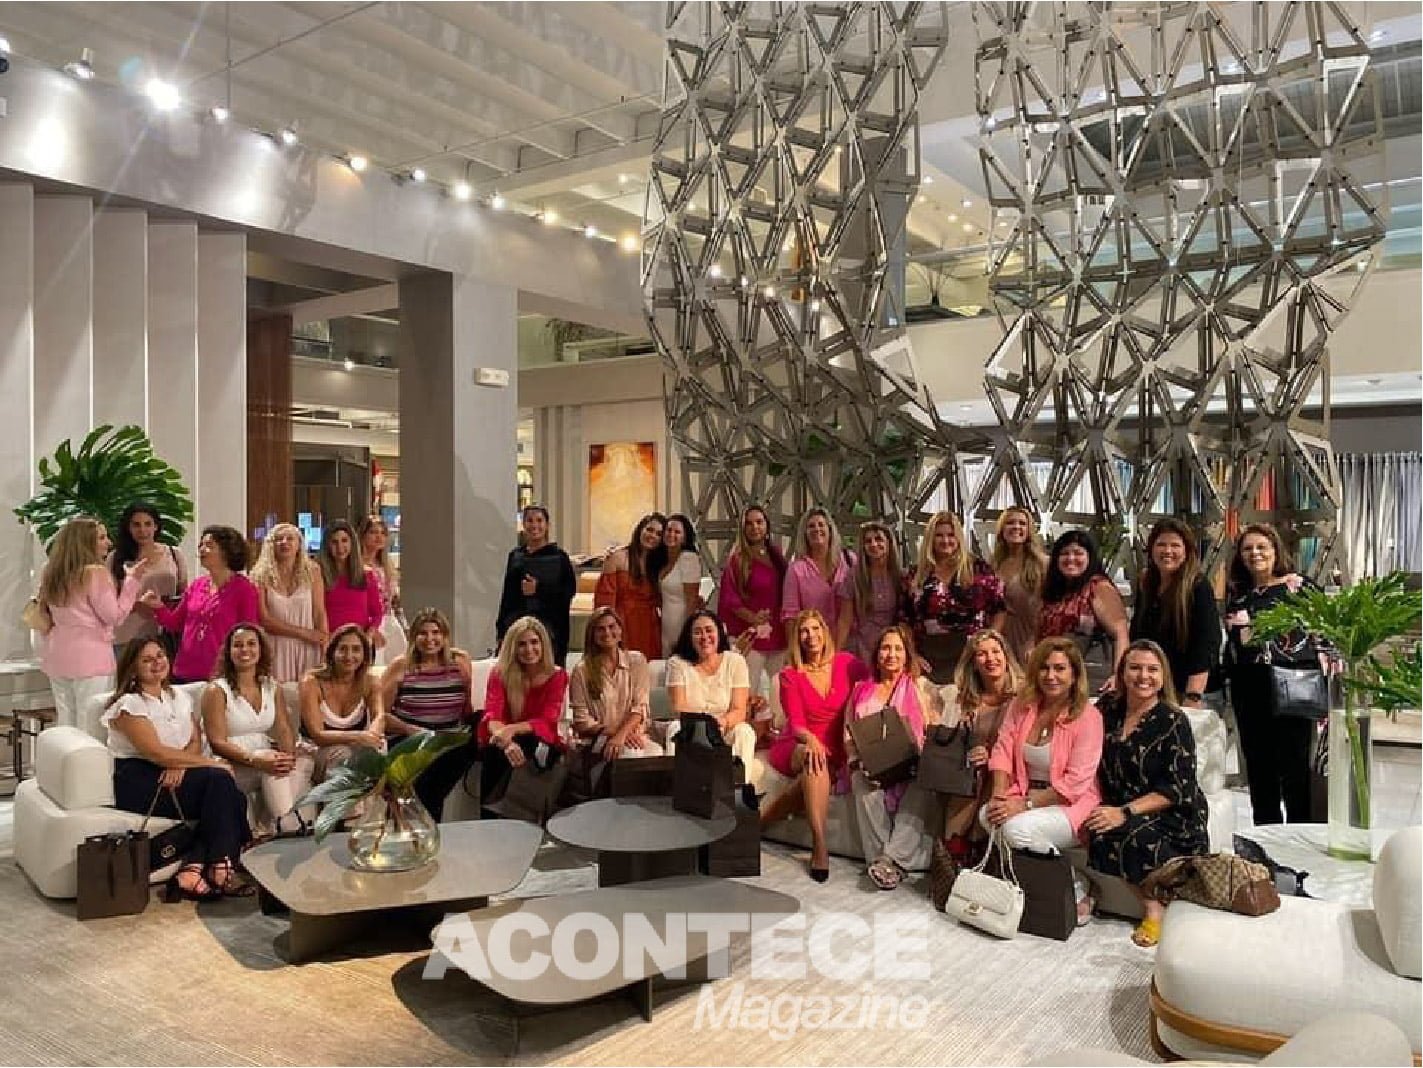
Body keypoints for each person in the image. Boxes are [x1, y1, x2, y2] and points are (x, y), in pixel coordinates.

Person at [102, 638, 251, 900]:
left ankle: (193, 871)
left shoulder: (179, 696)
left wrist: (180, 763)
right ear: (133, 668)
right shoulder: (129, 705)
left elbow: (195, 740)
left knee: (230, 795)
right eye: (147, 660)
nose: (157, 663)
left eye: (160, 656)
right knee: (222, 783)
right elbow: (155, 753)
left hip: (174, 768)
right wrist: (210, 762)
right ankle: (221, 865)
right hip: (140, 779)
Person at [1084, 640, 1210, 947]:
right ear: (1122, 673)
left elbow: (1177, 788)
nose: (1143, 676)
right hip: (1120, 803)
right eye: (1135, 668)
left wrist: (1124, 812)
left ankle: (1154, 910)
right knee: (1098, 829)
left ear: (1163, 676)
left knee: (1127, 834)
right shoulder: (1107, 709)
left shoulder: (1173, 720)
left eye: (1152, 670)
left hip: (1173, 812)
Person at [983, 636, 1104, 923]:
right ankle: (1029, 888)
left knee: (1017, 830)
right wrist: (999, 796)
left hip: (1070, 803)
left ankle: (1079, 886)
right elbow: (1002, 750)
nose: (1051, 676)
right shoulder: (1021, 705)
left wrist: (1022, 805)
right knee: (988, 815)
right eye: (1044, 668)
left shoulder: (1089, 716)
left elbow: (1075, 783)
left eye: (1060, 669)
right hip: (1024, 792)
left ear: (1074, 674)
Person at [761, 609, 870, 882]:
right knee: (813, 758)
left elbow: (875, 682)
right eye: (804, 631)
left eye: (815, 629)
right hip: (797, 744)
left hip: (836, 748)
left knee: (814, 771)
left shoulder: (847, 663)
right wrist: (811, 741)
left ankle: (759, 823)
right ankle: (820, 847)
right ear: (797, 638)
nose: (811, 636)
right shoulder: (791, 675)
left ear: (825, 632)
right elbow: (797, 723)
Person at [1222, 524, 1319, 825]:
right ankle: (1266, 837)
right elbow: (1234, 647)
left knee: (1295, 771)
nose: (1255, 553)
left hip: (1293, 688)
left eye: (1262, 547)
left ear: (1276, 551)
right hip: (1249, 691)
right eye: (1248, 548)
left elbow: (1324, 634)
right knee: (1259, 770)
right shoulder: (1239, 595)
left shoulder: (1298, 586)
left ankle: (1299, 836)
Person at [846, 623, 943, 890]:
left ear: (907, 654)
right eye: (886, 648)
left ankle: (887, 860)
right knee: (860, 781)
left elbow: (933, 731)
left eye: (898, 649)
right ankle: (890, 863)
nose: (891, 654)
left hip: (911, 766)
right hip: (872, 766)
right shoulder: (860, 690)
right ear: (877, 654)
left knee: (922, 784)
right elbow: (848, 735)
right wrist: (858, 762)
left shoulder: (921, 687)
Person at [201, 624, 314, 837]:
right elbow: (217, 742)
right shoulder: (216, 690)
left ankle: (271, 826)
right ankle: (288, 825)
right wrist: (255, 759)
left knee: (303, 762)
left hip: (265, 755)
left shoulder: (271, 686)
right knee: (273, 767)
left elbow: (283, 728)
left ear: (261, 650)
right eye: (238, 645)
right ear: (228, 652)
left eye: (251, 644)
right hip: (231, 761)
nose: (245, 649)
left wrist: (288, 756)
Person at [39, 517, 148, 730]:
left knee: (66, 721)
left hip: (57, 654)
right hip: (90, 656)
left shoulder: (50, 572)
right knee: (91, 723)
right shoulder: (95, 573)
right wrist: (132, 581)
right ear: (85, 542)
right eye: (101, 537)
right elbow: (114, 616)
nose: (109, 542)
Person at [380, 608, 476, 822]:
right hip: (409, 737)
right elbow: (379, 715)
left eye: (436, 632)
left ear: (445, 636)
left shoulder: (460, 662)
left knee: (460, 746)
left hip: (448, 738)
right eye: (423, 633)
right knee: (430, 765)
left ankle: (413, 819)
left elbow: (466, 707)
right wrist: (411, 730)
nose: (430, 639)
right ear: (414, 637)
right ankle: (426, 825)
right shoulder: (401, 665)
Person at [941, 629, 1024, 864]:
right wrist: (971, 751)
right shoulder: (966, 700)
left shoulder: (1023, 696)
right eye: (982, 654)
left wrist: (992, 755)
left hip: (1012, 769)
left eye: (996, 652)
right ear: (973, 663)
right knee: (973, 774)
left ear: (1006, 656)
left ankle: (965, 848)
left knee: (991, 772)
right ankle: (955, 851)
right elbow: (951, 742)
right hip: (972, 772)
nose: (991, 659)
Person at [145, 525, 258, 684]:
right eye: (201, 545)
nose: (202, 550)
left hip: (222, 673)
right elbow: (175, 623)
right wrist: (157, 606)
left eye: (209, 545)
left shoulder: (244, 589)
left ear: (227, 551)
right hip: (185, 671)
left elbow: (249, 632)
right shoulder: (197, 585)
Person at [903, 511, 1006, 683]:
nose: (945, 540)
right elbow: (904, 620)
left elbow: (1000, 610)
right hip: (928, 658)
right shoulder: (915, 574)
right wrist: (912, 655)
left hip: (971, 655)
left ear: (959, 537)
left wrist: (988, 643)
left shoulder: (978, 569)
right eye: (939, 535)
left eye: (951, 535)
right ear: (930, 539)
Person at [1130, 518, 1221, 707]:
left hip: (1191, 690)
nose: (1167, 551)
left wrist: (1193, 695)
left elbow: (1206, 644)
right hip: (1156, 688)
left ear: (1187, 551)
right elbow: (1137, 637)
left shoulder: (1198, 586)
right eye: (1161, 544)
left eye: (1175, 545)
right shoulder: (1146, 584)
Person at [479, 616, 568, 807]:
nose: (529, 649)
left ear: (543, 644)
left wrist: (511, 729)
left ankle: (522, 814)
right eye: (521, 644)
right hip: (503, 737)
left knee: (532, 744)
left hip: (539, 736)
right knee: (494, 750)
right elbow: (493, 715)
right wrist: (507, 742)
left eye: (534, 642)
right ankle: (490, 814)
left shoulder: (557, 675)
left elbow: (547, 719)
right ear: (513, 647)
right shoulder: (499, 673)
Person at [665, 610, 758, 786]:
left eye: (709, 630)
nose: (704, 637)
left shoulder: (735, 661)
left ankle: (738, 790)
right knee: (675, 727)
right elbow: (679, 707)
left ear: (719, 633)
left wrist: (721, 723)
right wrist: (706, 727)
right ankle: (680, 790)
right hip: (691, 728)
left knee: (745, 732)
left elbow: (739, 710)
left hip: (725, 727)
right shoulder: (677, 663)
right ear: (689, 637)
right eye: (697, 632)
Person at [717, 504, 789, 717]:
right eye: (749, 523)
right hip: (750, 637)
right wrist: (753, 618)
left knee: (782, 692)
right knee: (748, 692)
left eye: (759, 522)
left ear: (767, 525)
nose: (755, 527)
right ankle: (746, 730)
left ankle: (779, 730)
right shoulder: (737, 560)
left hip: (779, 635)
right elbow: (730, 599)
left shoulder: (776, 556)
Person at [1038, 529, 1131, 693]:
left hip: (1090, 676)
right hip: (1054, 676)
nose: (1071, 558)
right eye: (1064, 553)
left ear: (1090, 557)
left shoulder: (1099, 587)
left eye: (1078, 553)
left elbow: (1120, 634)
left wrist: (1118, 675)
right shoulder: (1054, 590)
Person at [569, 607, 663, 764]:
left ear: (620, 630)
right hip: (597, 739)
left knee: (656, 753)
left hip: (631, 735)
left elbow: (640, 707)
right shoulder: (581, 671)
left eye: (611, 626)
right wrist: (616, 734)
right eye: (600, 629)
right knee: (632, 756)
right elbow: (582, 720)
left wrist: (622, 735)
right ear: (592, 635)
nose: (607, 633)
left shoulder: (637, 661)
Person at [299, 625, 385, 781]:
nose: (349, 656)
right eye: (343, 649)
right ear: (332, 652)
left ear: (365, 654)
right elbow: (318, 736)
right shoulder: (311, 682)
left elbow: (379, 716)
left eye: (356, 649)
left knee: (376, 754)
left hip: (354, 750)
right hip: (315, 752)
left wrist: (372, 736)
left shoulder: (371, 682)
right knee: (343, 755)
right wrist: (359, 737)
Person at [496, 505, 578, 666]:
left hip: (552, 626)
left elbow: (568, 591)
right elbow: (507, 595)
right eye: (530, 520)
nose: (534, 525)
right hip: (518, 624)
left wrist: (539, 590)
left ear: (547, 525)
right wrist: (501, 629)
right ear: (524, 524)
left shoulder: (559, 557)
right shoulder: (515, 556)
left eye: (539, 520)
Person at [250, 523, 328, 684]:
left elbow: (319, 612)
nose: (284, 542)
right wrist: (304, 633)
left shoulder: (312, 571)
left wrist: (325, 645)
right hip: (276, 647)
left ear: (299, 544)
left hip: (309, 647)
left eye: (290, 538)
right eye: (279, 539)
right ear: (270, 545)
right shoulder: (259, 575)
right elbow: (264, 619)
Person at [108, 502, 188, 650]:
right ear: (128, 528)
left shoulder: (174, 554)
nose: (142, 530)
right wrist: (138, 605)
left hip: (164, 633)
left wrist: (164, 607)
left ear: (156, 526)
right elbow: (109, 601)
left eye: (147, 524)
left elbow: (184, 594)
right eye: (136, 525)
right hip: (126, 636)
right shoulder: (116, 557)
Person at [594, 512, 665, 661]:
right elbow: (604, 600)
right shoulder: (618, 557)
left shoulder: (660, 564)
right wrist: (608, 630)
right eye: (649, 530)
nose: (652, 536)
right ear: (640, 529)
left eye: (659, 534)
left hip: (650, 626)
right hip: (622, 622)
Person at [781, 507, 855, 645]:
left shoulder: (850, 560)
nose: (816, 529)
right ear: (805, 534)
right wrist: (794, 650)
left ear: (830, 530)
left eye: (821, 525)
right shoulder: (796, 570)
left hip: (851, 644)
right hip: (814, 646)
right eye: (811, 526)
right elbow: (790, 616)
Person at [835, 521, 904, 664]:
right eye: (868, 541)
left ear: (889, 543)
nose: (873, 544)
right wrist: (835, 657)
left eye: (878, 539)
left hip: (893, 648)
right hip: (862, 648)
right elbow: (844, 621)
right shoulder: (853, 577)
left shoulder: (901, 576)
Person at [992, 506, 1047, 665]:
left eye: (1022, 523)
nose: (1016, 527)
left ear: (1029, 530)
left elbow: (1050, 608)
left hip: (1029, 641)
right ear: (1002, 529)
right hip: (999, 642)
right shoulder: (993, 565)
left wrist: (1037, 642)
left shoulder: (1043, 565)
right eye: (1010, 523)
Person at [319, 520, 383, 648]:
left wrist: (368, 636)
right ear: (327, 546)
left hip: (359, 644)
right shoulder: (318, 575)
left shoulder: (366, 575)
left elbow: (377, 613)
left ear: (352, 543)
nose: (340, 547)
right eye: (334, 542)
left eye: (344, 541)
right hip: (330, 643)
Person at [358, 515, 405, 664]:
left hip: (390, 620)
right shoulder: (358, 567)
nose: (379, 537)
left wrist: (404, 624)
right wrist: (372, 628)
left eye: (383, 533)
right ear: (363, 535)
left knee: (399, 662)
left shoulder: (386, 566)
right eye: (373, 532)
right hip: (371, 623)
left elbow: (394, 601)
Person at [658, 513, 704, 658]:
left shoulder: (688, 559)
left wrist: (687, 633)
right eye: (669, 530)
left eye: (677, 532)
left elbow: (692, 600)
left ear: (685, 537)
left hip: (681, 625)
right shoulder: (663, 559)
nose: (671, 534)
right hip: (666, 627)